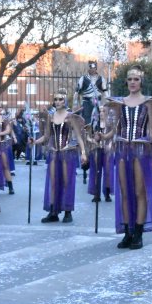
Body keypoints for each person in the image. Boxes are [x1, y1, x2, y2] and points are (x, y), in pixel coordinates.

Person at [103, 66, 152, 249]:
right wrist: (102, 137)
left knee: (139, 191)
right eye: (129, 79)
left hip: (142, 150)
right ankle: (128, 232)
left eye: (136, 79)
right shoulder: (119, 103)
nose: (132, 82)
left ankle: (138, 233)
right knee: (124, 192)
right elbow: (115, 129)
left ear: (141, 82)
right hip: (122, 149)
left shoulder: (149, 103)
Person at [31, 88, 87, 223]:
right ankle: (53, 212)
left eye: (60, 99)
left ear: (65, 100)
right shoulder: (51, 116)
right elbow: (46, 136)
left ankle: (68, 212)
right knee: (53, 182)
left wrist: (83, 153)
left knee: (67, 182)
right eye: (55, 99)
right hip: (54, 153)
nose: (57, 101)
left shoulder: (71, 116)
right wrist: (34, 142)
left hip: (67, 153)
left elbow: (79, 137)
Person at [85, 105, 114, 202]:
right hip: (96, 149)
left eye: (104, 111)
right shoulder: (94, 123)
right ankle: (96, 195)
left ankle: (107, 194)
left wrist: (107, 140)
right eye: (100, 111)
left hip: (107, 150)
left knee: (108, 171)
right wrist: (93, 140)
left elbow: (113, 135)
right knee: (96, 172)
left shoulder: (110, 124)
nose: (101, 113)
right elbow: (88, 137)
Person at [73, 61, 107, 125]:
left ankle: (97, 132)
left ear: (96, 68)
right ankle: (87, 133)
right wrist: (75, 105)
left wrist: (106, 104)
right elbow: (76, 92)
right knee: (86, 121)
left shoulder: (101, 79)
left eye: (93, 67)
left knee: (98, 122)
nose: (92, 69)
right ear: (88, 68)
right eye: (90, 67)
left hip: (97, 102)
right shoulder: (83, 79)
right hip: (86, 102)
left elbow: (105, 92)